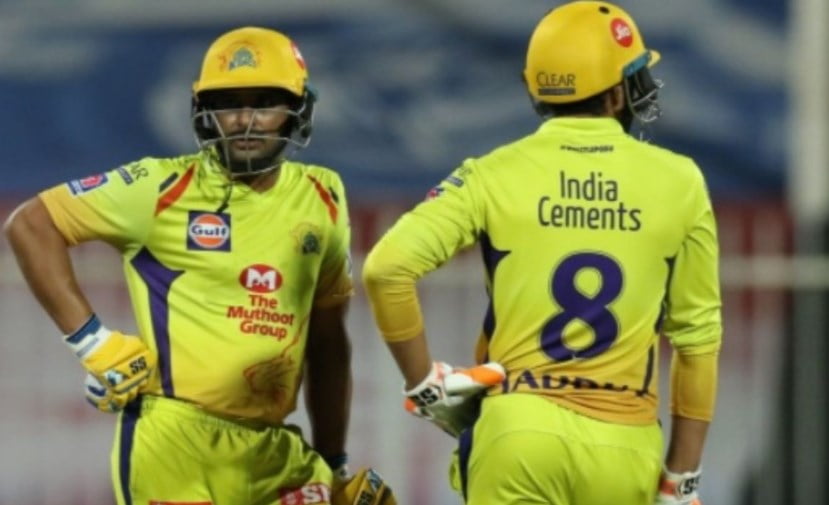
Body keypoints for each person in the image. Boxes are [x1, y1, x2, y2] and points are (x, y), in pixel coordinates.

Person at [4, 26, 394, 505]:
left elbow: (328, 341)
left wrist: (334, 466)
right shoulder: (159, 186)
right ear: (203, 111)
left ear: (299, 111)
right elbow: (31, 225)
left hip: (274, 451)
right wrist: (93, 344)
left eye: (265, 103)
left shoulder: (323, 195)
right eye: (228, 103)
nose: (245, 121)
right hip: (175, 447)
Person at [361, 2, 720, 504]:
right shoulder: (680, 180)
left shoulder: (492, 173)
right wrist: (681, 480)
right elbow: (698, 338)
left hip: (518, 430)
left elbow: (385, 269)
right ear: (617, 93)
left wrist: (424, 384)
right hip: (624, 444)